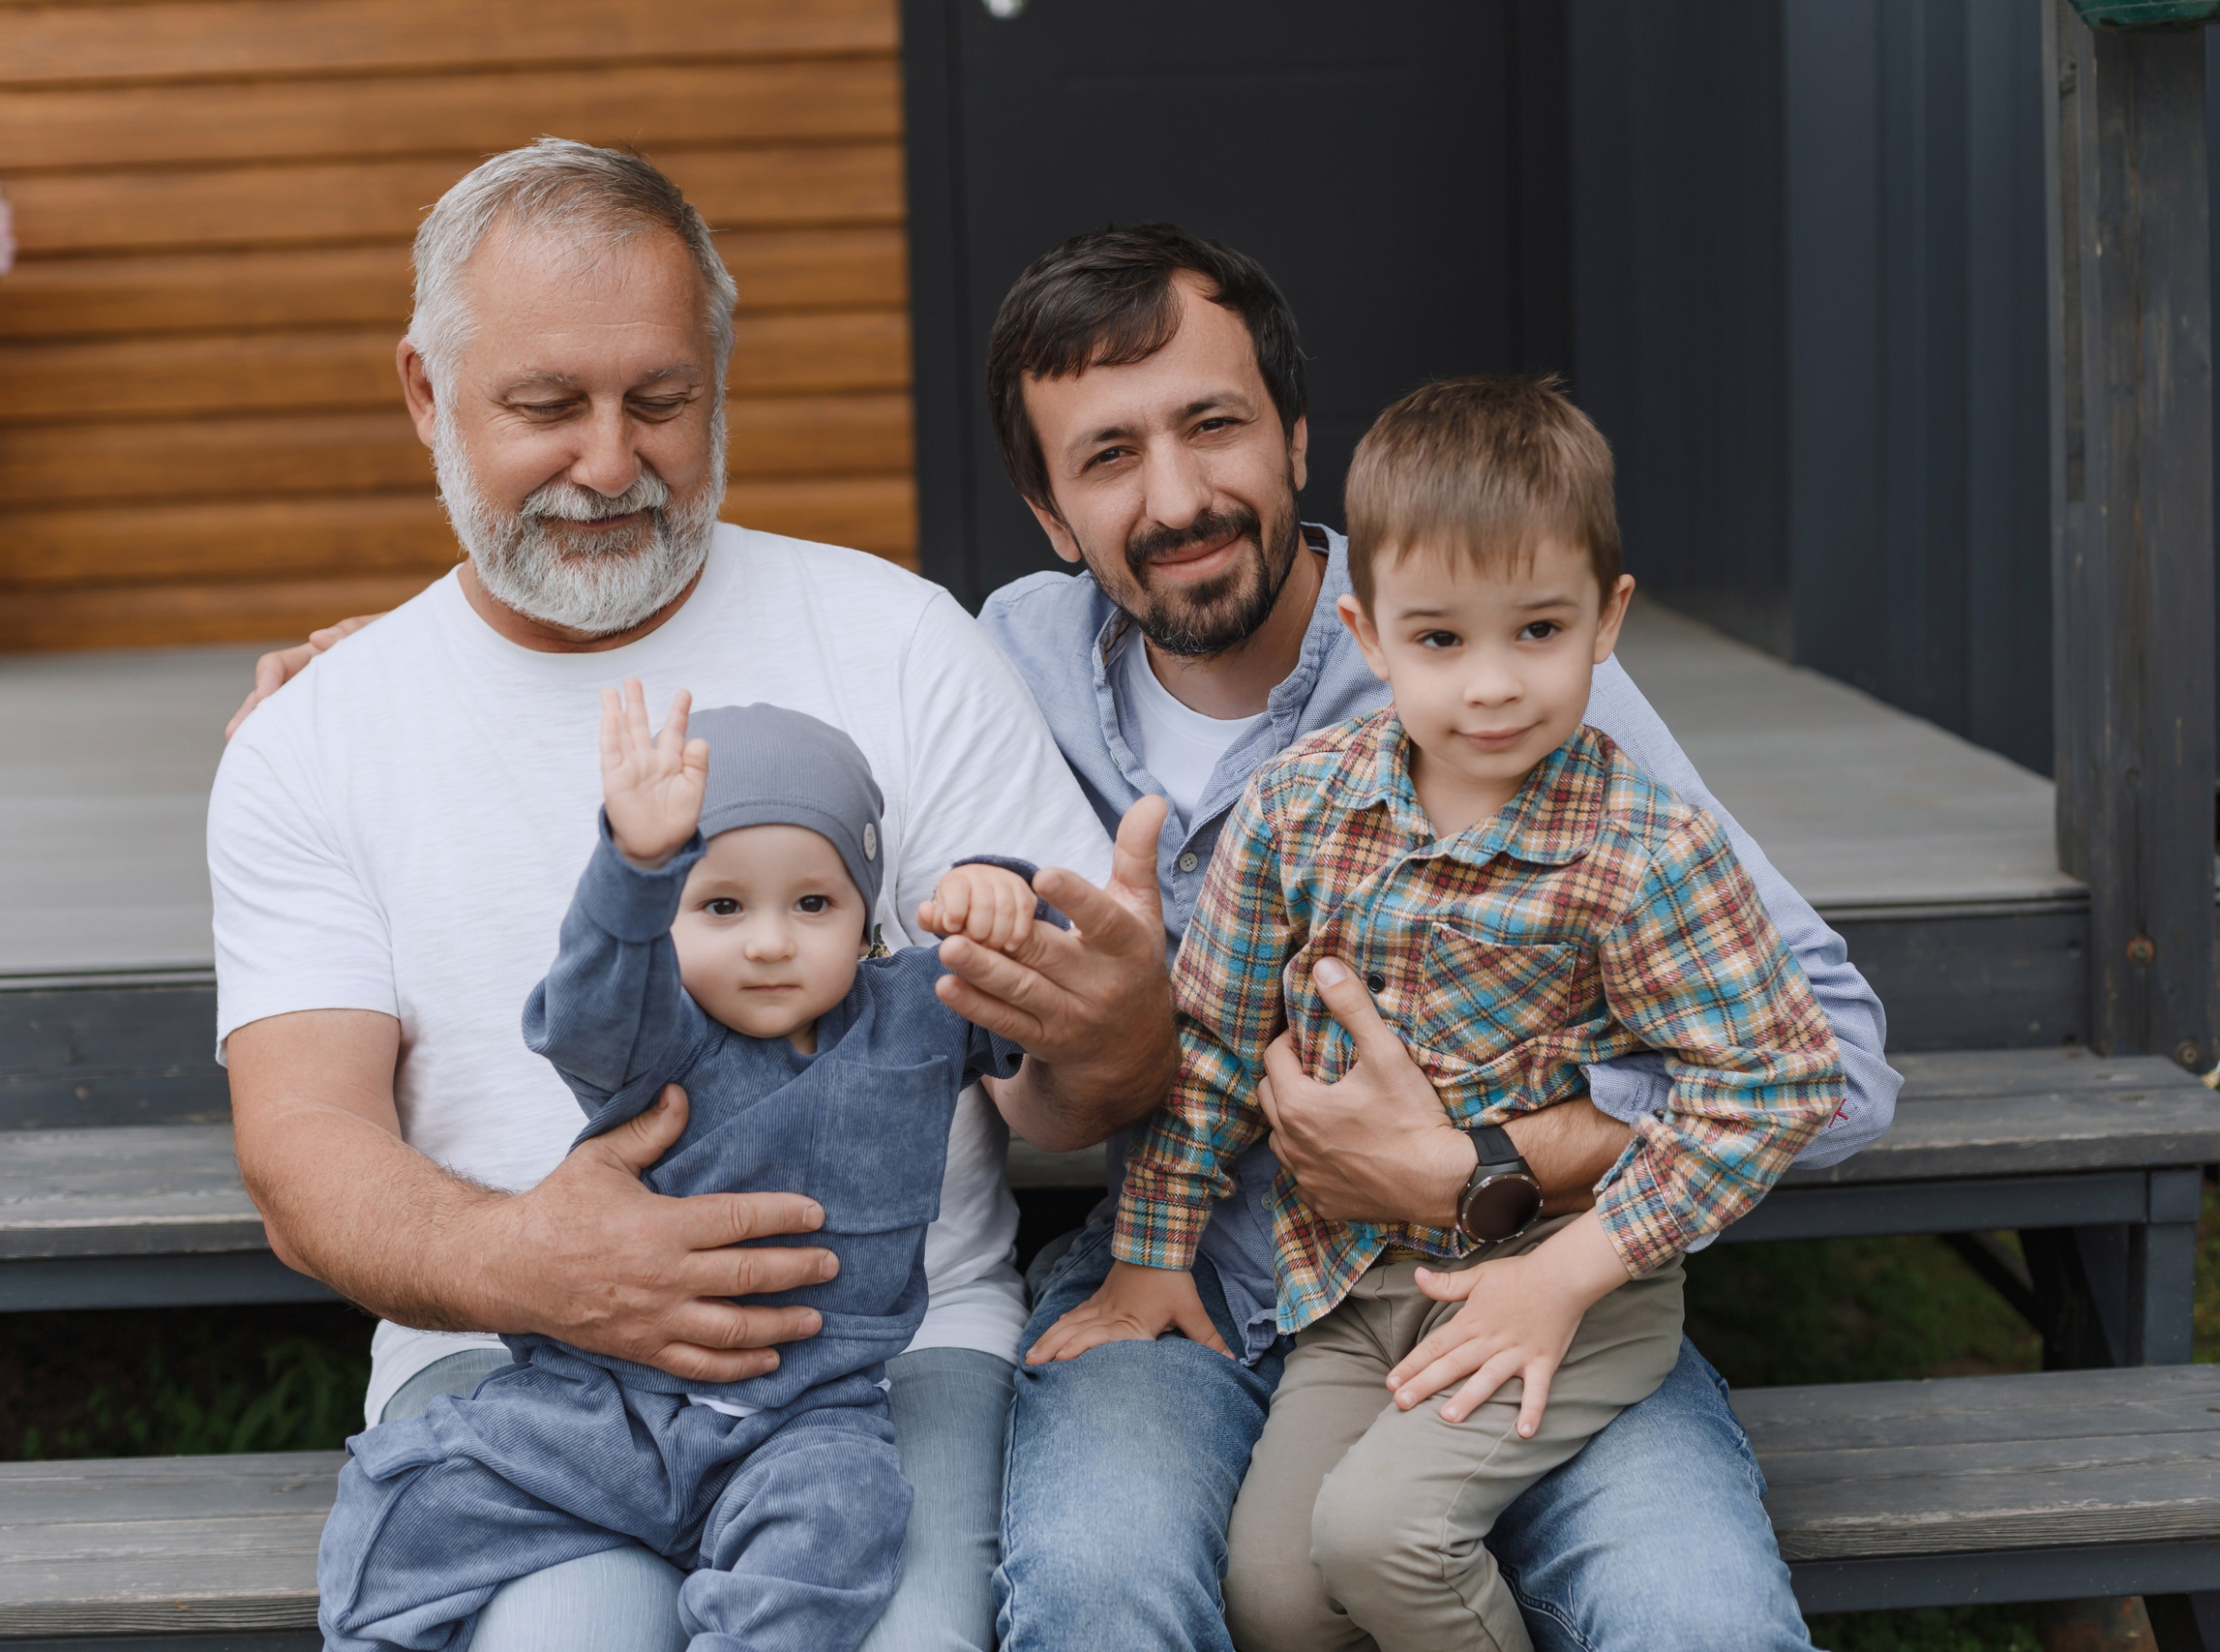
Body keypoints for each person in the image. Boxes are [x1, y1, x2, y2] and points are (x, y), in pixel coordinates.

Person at [238, 221, 1903, 1649]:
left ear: (1297, 436)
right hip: (1187, 1285)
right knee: (1101, 1589)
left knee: (1694, 1613)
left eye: (1213, 426)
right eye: (1110, 458)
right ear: (1048, 518)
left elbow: (1832, 1059)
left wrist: (1483, 1163)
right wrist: (389, 663)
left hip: (1530, 1273)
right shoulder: (1012, 657)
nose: (1177, 496)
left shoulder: (1508, 680)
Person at [210, 140, 1173, 1652]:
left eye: (660, 400)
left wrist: (1111, 1036)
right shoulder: (323, 733)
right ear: (425, 393)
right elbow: (301, 1136)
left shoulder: (895, 639)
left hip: (883, 1359)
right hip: (515, 1363)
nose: (610, 461)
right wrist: (527, 1259)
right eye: (548, 406)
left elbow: (1061, 1099)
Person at [1032, 376, 1845, 1652]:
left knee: (1377, 1534)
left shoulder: (1646, 846)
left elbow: (1785, 1076)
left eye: (1537, 630)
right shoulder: (1302, 810)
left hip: (1575, 1284)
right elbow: (1212, 1042)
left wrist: (1572, 1267)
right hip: (1355, 1285)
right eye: (1440, 638)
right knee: (1283, 1591)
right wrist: (1152, 1246)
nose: (1492, 686)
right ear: (1365, 632)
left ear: (1607, 620)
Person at [315, 690, 1056, 1651]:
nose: (768, 941)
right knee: (419, 1489)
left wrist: (1004, 899)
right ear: (669, 916)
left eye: (813, 904)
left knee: (844, 1524)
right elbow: (588, 997)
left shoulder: (917, 1013)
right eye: (719, 904)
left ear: (865, 915)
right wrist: (633, 869)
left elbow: (1048, 995)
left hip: (803, 1419)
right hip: (605, 1404)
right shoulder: (653, 1032)